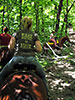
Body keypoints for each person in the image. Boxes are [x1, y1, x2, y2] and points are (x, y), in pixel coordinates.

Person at [0, 17, 48, 93]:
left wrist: (15, 49)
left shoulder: (16, 33)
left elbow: (10, 47)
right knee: (42, 76)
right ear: (31, 24)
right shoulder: (34, 35)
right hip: (31, 60)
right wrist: (32, 49)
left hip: (17, 59)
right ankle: (47, 95)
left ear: (22, 24)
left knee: (2, 75)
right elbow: (39, 49)